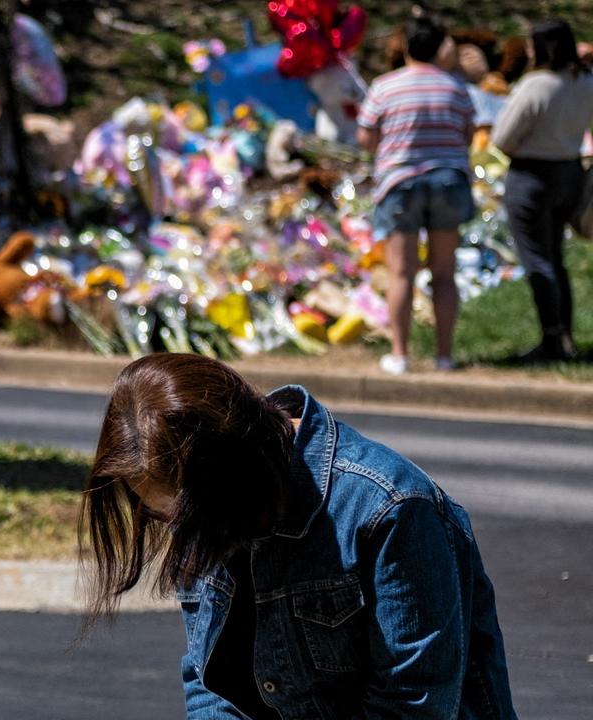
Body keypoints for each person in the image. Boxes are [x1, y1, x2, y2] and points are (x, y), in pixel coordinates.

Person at [81, 353, 516, 719]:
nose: (177, 528)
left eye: (188, 516)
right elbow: (207, 679)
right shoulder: (199, 494)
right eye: (157, 514)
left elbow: (415, 703)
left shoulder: (389, 507)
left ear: (234, 478)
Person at [358, 16, 476, 375]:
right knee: (444, 273)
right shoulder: (455, 88)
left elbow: (366, 138)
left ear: (406, 47)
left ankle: (400, 355)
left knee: (402, 274)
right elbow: (467, 134)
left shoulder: (384, 86)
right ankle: (444, 356)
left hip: (400, 184)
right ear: (440, 48)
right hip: (448, 182)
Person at [491, 19, 593, 363]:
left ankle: (553, 338)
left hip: (532, 175)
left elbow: (503, 138)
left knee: (537, 260)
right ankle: (564, 335)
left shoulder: (536, 85)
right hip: (570, 171)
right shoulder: (584, 81)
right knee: (555, 258)